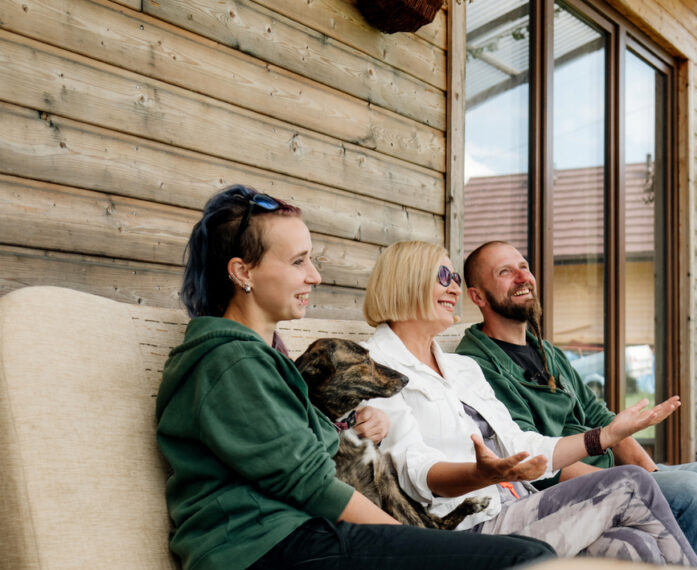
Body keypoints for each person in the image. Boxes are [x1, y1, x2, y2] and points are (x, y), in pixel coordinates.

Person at [154, 186, 558, 570]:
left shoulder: (261, 357)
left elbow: (308, 453)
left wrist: (361, 431)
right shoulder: (229, 361)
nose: (314, 276)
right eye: (298, 262)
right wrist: (415, 542)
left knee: (534, 553)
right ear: (243, 272)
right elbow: (312, 484)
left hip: (302, 533)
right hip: (260, 548)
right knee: (527, 559)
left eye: (311, 260)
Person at [361, 240, 697, 565]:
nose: (454, 288)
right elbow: (417, 472)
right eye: (443, 277)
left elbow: (520, 442)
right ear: (406, 282)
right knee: (631, 482)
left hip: (518, 502)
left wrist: (604, 437)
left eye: (456, 278)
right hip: (468, 528)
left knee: (633, 545)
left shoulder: (462, 368)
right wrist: (481, 474)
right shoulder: (373, 369)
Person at [456, 240, 697, 569]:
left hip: (619, 475)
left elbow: (603, 420)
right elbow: (537, 464)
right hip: (580, 488)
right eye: (505, 272)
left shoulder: (547, 352)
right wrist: (620, 486)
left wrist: (651, 475)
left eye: (523, 266)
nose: (522, 277)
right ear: (477, 296)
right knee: (693, 491)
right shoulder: (478, 364)